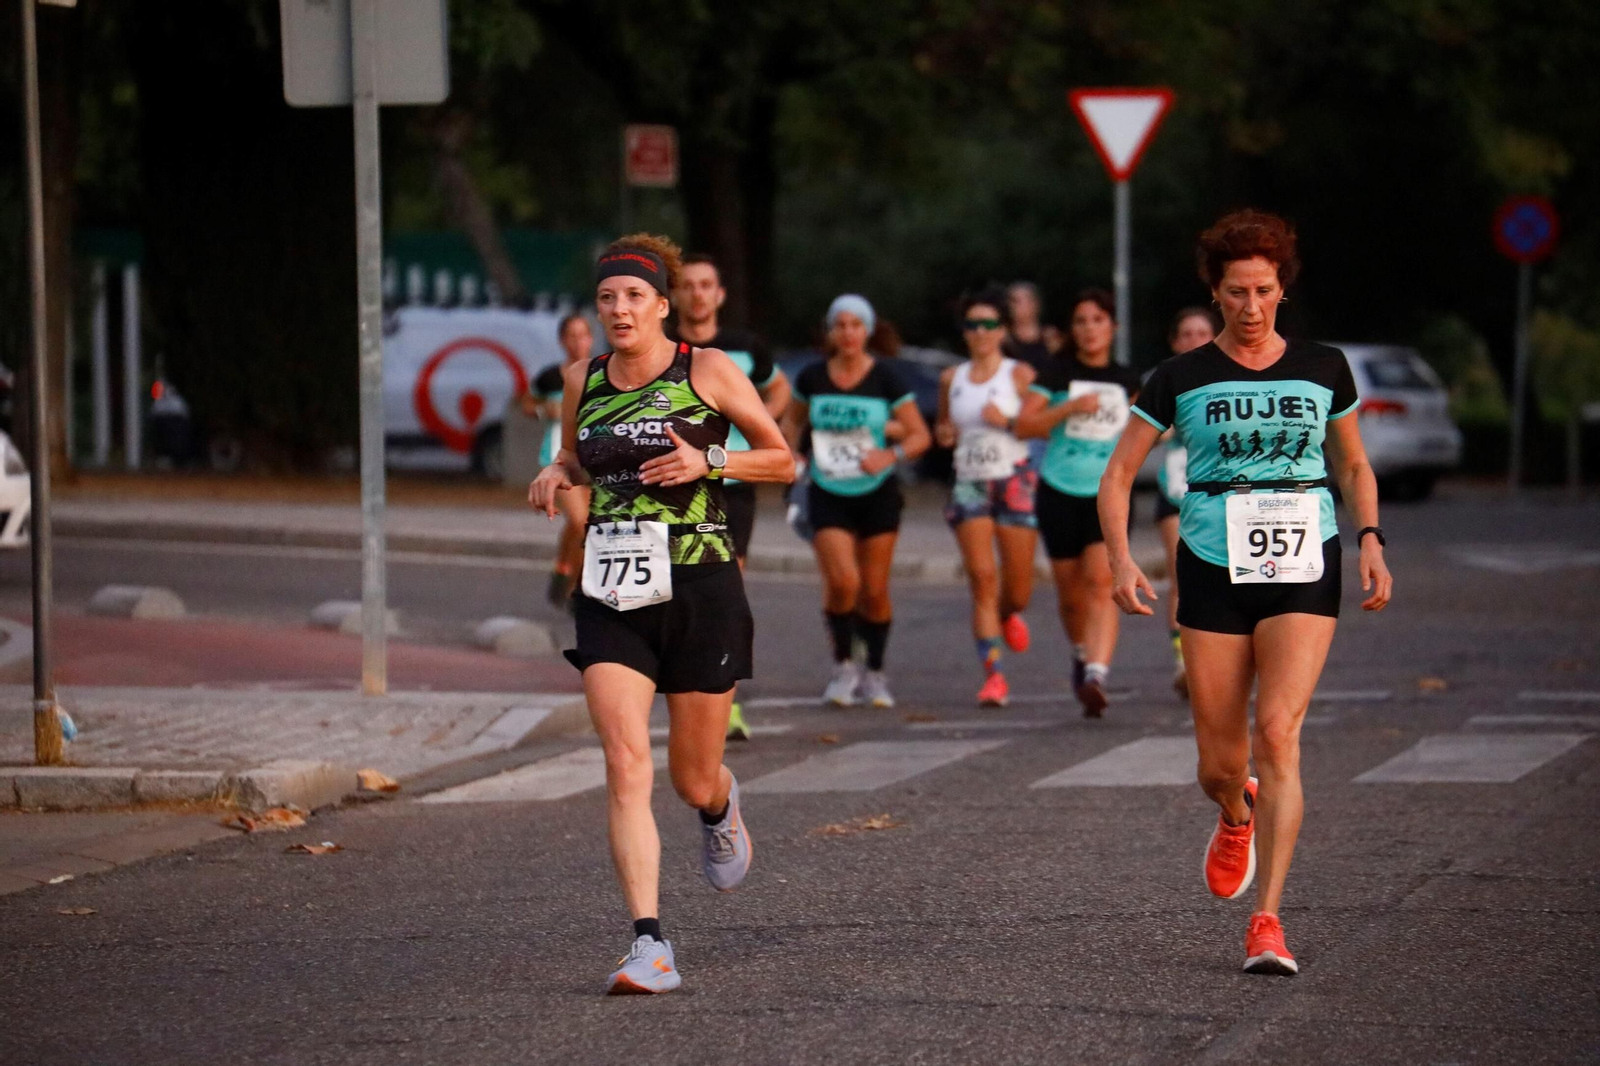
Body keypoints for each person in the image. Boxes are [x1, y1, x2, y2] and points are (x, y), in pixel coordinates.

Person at [1098, 209, 1392, 976]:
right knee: (1219, 763)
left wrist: (1370, 539)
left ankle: (1268, 920)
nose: (1251, 307)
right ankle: (1235, 812)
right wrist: (1124, 559)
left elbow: (1354, 464)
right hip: (1210, 561)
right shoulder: (1180, 377)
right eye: (1236, 292)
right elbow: (1120, 472)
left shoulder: (1324, 367)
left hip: (1304, 559)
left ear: (1282, 289)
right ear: (1215, 293)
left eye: (1264, 290)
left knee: (1280, 733)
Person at [528, 234, 794, 995]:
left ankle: (719, 805)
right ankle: (649, 944)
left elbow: (782, 459)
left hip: (703, 585)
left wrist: (710, 461)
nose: (618, 309)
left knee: (689, 776)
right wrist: (557, 468)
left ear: (662, 306)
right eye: (607, 297)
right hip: (614, 588)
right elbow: (581, 456)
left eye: (633, 297)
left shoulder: (704, 369)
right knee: (623, 763)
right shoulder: (584, 376)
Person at [786, 294, 931, 709]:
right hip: (828, 491)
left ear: (868, 331)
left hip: (877, 493)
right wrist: (791, 452)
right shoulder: (813, 377)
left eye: (856, 325)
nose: (848, 333)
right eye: (840, 325)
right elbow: (792, 420)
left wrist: (891, 454)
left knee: (874, 590)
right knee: (843, 582)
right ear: (831, 331)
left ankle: (876, 672)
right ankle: (844, 664)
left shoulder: (886, 379)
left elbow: (920, 435)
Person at [673, 253, 793, 741]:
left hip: (733, 485)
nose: (698, 294)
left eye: (706, 285)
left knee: (723, 591)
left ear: (719, 295)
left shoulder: (743, 349)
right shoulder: (660, 348)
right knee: (676, 595)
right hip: (673, 486)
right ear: (674, 297)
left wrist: (756, 425)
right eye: (688, 285)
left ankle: (728, 702)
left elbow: (779, 388)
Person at [1015, 289, 1142, 717]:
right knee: (1070, 596)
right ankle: (1082, 652)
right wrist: (1067, 408)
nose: (1090, 329)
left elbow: (1144, 435)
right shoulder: (1055, 373)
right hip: (1058, 490)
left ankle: (1096, 674)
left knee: (1100, 583)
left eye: (1098, 320)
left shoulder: (1127, 380)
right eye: (1082, 321)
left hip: (1106, 494)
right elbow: (1023, 425)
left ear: (1113, 327)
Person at [935, 286, 1039, 707]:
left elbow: (1041, 425)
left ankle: (1010, 613)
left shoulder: (1020, 375)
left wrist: (1011, 419)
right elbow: (945, 425)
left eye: (988, 324)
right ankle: (993, 676)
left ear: (1002, 330)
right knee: (982, 579)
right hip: (970, 480)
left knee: (1017, 590)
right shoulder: (951, 379)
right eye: (972, 324)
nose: (980, 332)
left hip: (1013, 478)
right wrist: (945, 433)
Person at [1152, 307, 1221, 696]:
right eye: (1187, 334)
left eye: (1201, 333)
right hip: (1177, 489)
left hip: (1225, 491)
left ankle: (1223, 663)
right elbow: (1151, 432)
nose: (1194, 340)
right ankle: (1185, 662)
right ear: (1175, 342)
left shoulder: (1232, 377)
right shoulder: (1167, 380)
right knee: (1182, 576)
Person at [528, 313, 596, 609]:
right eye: (572, 335)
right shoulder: (551, 377)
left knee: (581, 524)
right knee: (584, 524)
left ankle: (562, 569)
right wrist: (546, 411)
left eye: (583, 335)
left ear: (591, 339)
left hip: (593, 458)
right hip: (558, 459)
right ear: (562, 340)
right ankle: (579, 589)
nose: (578, 342)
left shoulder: (603, 372)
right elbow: (527, 403)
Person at [1004, 281, 1051, 371]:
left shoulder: (1051, 341)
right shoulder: (1002, 341)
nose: (1009, 305)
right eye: (1008, 301)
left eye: (1015, 301)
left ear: (1034, 304)